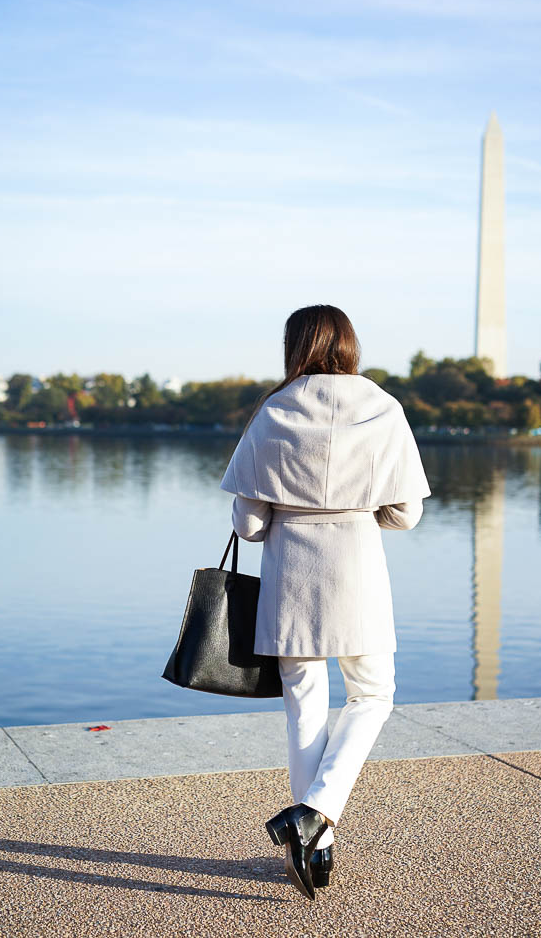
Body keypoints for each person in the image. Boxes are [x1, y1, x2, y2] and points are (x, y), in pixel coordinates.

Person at [219, 305, 431, 901]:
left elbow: (251, 525)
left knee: (304, 708)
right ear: (350, 344)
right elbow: (407, 513)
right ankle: (316, 814)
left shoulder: (274, 409)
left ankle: (314, 838)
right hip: (358, 574)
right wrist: (362, 508)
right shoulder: (384, 407)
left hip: (291, 576)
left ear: (295, 347)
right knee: (374, 694)